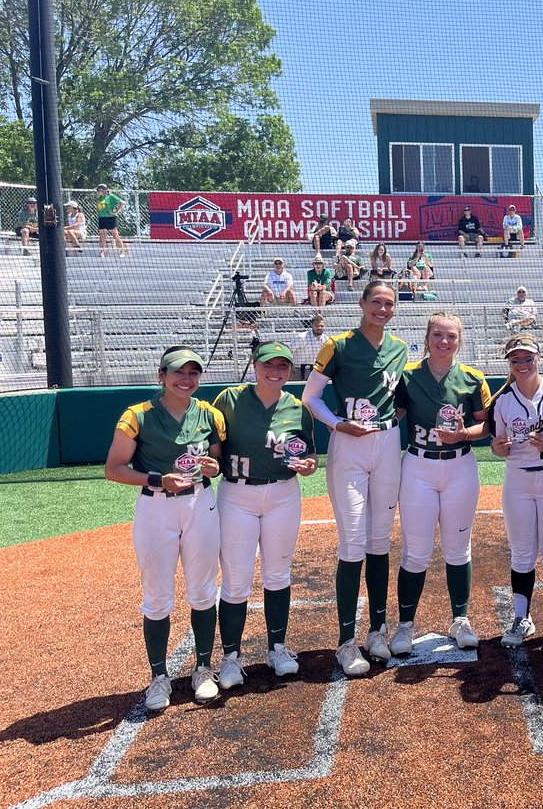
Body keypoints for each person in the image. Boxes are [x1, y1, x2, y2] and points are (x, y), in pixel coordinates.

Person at [103, 346, 225, 711]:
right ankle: (159, 677)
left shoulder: (210, 413)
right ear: (162, 376)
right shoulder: (137, 416)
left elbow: (216, 459)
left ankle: (203, 669)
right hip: (156, 506)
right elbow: (114, 468)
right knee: (157, 596)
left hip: (200, 503)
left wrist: (213, 469)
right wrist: (158, 478)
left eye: (193, 373)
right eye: (178, 373)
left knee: (204, 591)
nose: (186, 380)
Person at [302, 280, 408, 676]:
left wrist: (386, 424)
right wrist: (337, 425)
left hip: (386, 444)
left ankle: (377, 630)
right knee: (353, 541)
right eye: (376, 302)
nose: (383, 308)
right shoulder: (339, 345)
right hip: (348, 446)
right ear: (362, 303)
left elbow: (398, 400)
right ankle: (347, 640)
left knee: (380, 539)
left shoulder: (399, 349)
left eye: (389, 303)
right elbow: (310, 398)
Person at [212, 342, 319, 690]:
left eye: (283, 366)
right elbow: (212, 445)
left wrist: (307, 467)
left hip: (283, 494)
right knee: (236, 578)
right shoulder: (229, 400)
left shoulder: (297, 407)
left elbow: (310, 458)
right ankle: (231, 657)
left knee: (277, 574)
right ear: (255, 366)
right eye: (269, 364)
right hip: (237, 493)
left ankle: (277, 648)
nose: (276, 371)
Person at [391, 312, 492, 656]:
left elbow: (487, 426)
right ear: (427, 337)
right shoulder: (407, 377)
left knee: (458, 548)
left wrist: (464, 433)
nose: (444, 341)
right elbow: (393, 417)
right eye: (438, 335)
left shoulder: (472, 378)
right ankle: (405, 625)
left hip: (460, 466)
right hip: (418, 464)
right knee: (416, 551)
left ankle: (460, 619)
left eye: (451, 336)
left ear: (459, 341)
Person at [488, 332, 543, 647]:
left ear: (539, 358)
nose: (522, 364)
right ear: (509, 364)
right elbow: (498, 447)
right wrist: (499, 447)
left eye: (527, 358)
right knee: (522, 554)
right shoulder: (504, 400)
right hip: (519, 479)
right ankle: (521, 618)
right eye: (516, 360)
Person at [291, 313, 329, 380]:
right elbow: (289, 350)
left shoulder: (326, 340)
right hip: (297, 369)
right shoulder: (301, 337)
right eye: (317, 326)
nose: (319, 328)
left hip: (314, 370)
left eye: (322, 326)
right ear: (312, 325)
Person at [96, 184, 128, 258]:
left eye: (100, 190)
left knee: (115, 235)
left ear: (104, 190)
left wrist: (116, 212)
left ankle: (122, 251)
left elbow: (122, 203)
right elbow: (99, 208)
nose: (98, 191)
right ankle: (102, 252)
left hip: (111, 218)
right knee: (102, 236)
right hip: (102, 218)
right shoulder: (99, 199)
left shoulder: (111, 197)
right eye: (98, 190)